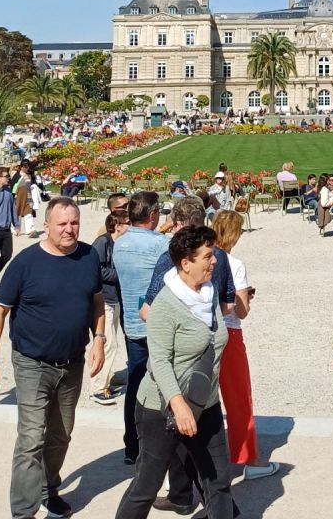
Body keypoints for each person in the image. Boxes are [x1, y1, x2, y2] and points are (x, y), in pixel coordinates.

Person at [0, 197, 107, 519]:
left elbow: (97, 300)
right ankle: (23, 511)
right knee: (32, 437)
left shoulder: (89, 255)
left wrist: (100, 339)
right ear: (46, 225)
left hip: (72, 362)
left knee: (61, 434)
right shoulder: (25, 263)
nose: (69, 229)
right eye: (62, 223)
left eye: (74, 222)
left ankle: (49, 487)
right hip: (31, 362)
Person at [113, 225, 232, 519]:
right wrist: (178, 406)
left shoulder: (209, 293)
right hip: (161, 408)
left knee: (218, 481)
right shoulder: (166, 304)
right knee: (146, 486)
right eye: (208, 256)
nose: (214, 260)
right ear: (186, 263)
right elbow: (160, 361)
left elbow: (215, 343)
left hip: (206, 403)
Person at [210, 209, 278, 481]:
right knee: (239, 398)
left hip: (202, 331)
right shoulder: (233, 263)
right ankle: (249, 457)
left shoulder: (201, 256)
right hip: (229, 333)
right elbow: (241, 311)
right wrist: (246, 296)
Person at [113, 192, 170, 467]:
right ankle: (157, 443)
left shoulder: (120, 244)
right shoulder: (161, 244)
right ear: (152, 215)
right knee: (163, 384)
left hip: (133, 322)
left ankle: (131, 445)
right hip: (157, 322)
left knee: (135, 382)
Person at [88, 206, 128, 406]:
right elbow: (96, 270)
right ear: (118, 226)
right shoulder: (102, 243)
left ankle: (103, 382)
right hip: (104, 300)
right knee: (107, 344)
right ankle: (97, 388)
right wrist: (121, 275)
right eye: (127, 223)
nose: (130, 226)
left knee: (112, 343)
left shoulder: (118, 243)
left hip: (114, 299)